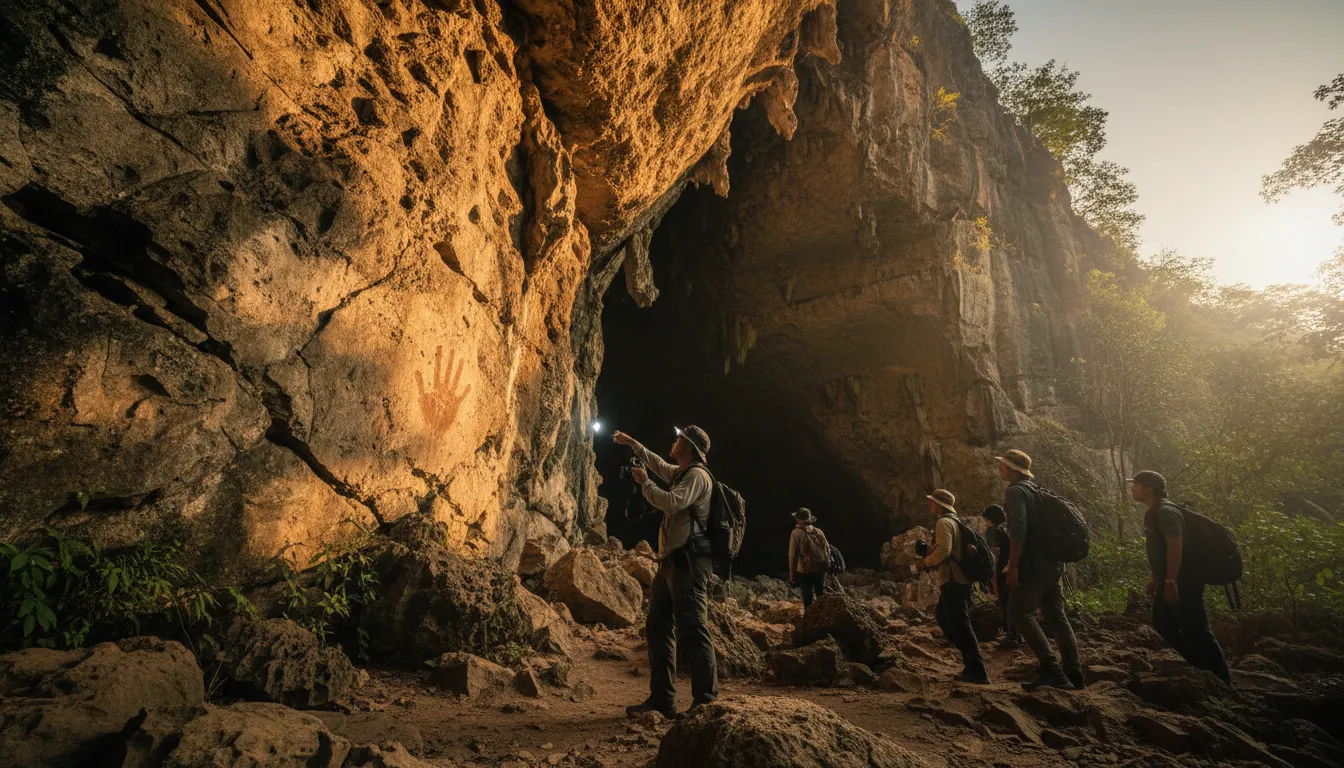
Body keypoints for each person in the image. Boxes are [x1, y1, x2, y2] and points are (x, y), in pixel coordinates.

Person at [613, 425, 718, 719]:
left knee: (694, 629)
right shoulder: (683, 472)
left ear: (689, 447)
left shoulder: (697, 476)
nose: (673, 442)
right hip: (670, 561)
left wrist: (646, 484)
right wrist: (633, 442)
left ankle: (706, 702)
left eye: (678, 439)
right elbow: (658, 464)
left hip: (689, 562)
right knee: (658, 626)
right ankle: (662, 700)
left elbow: (671, 502)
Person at [1133, 470, 1231, 684]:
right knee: (1163, 623)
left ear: (1149, 488)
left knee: (1196, 629)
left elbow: (1176, 545)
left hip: (1184, 582)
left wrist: (1170, 581)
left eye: (1136, 484)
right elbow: (1161, 549)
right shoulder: (1154, 513)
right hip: (1169, 579)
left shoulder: (1166, 512)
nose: (1133, 488)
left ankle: (1222, 681)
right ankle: (1201, 668)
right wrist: (1155, 576)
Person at [998, 449, 1083, 690]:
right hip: (1053, 565)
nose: (1000, 469)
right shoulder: (1038, 491)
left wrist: (1013, 565)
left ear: (1014, 469)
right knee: (1057, 617)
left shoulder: (1016, 491)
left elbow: (1019, 529)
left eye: (1003, 465)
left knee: (1019, 612)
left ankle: (1051, 669)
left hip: (1032, 565)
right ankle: (1074, 673)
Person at [919, 489, 989, 684]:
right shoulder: (956, 522)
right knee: (944, 617)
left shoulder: (943, 522)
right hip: (959, 580)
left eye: (932, 501)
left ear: (939, 504)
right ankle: (972, 663)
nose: (930, 504)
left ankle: (977, 671)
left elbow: (944, 550)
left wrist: (927, 561)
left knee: (961, 624)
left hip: (953, 580)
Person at [982, 504, 1021, 648]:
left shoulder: (992, 531)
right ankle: (1017, 634)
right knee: (1014, 602)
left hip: (1002, 571)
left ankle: (1011, 636)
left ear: (988, 519)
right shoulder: (1008, 529)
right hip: (1015, 568)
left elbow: (994, 555)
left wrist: (993, 578)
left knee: (1005, 602)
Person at [788, 508, 830, 609]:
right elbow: (828, 549)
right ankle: (823, 617)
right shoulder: (819, 531)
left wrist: (792, 575)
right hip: (821, 568)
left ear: (798, 520)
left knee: (808, 598)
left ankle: (809, 619)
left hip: (805, 570)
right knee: (820, 594)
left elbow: (792, 556)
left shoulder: (796, 533)